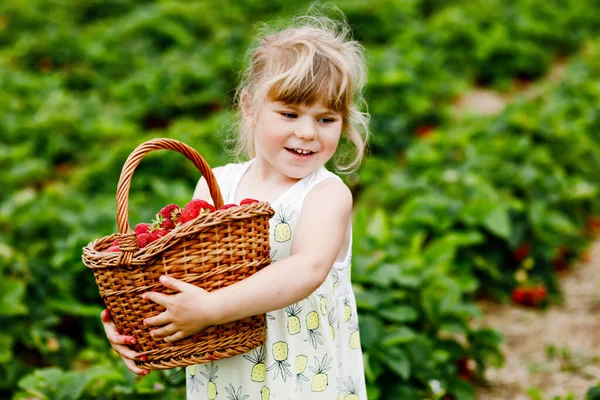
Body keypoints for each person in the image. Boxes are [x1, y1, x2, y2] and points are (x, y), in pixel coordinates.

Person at [101, 7, 370, 399]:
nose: (307, 132)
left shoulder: (325, 194)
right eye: (289, 113)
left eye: (326, 119)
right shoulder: (216, 184)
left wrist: (211, 309)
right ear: (249, 107)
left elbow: (306, 269)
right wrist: (133, 324)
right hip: (224, 378)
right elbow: (180, 273)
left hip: (301, 379)